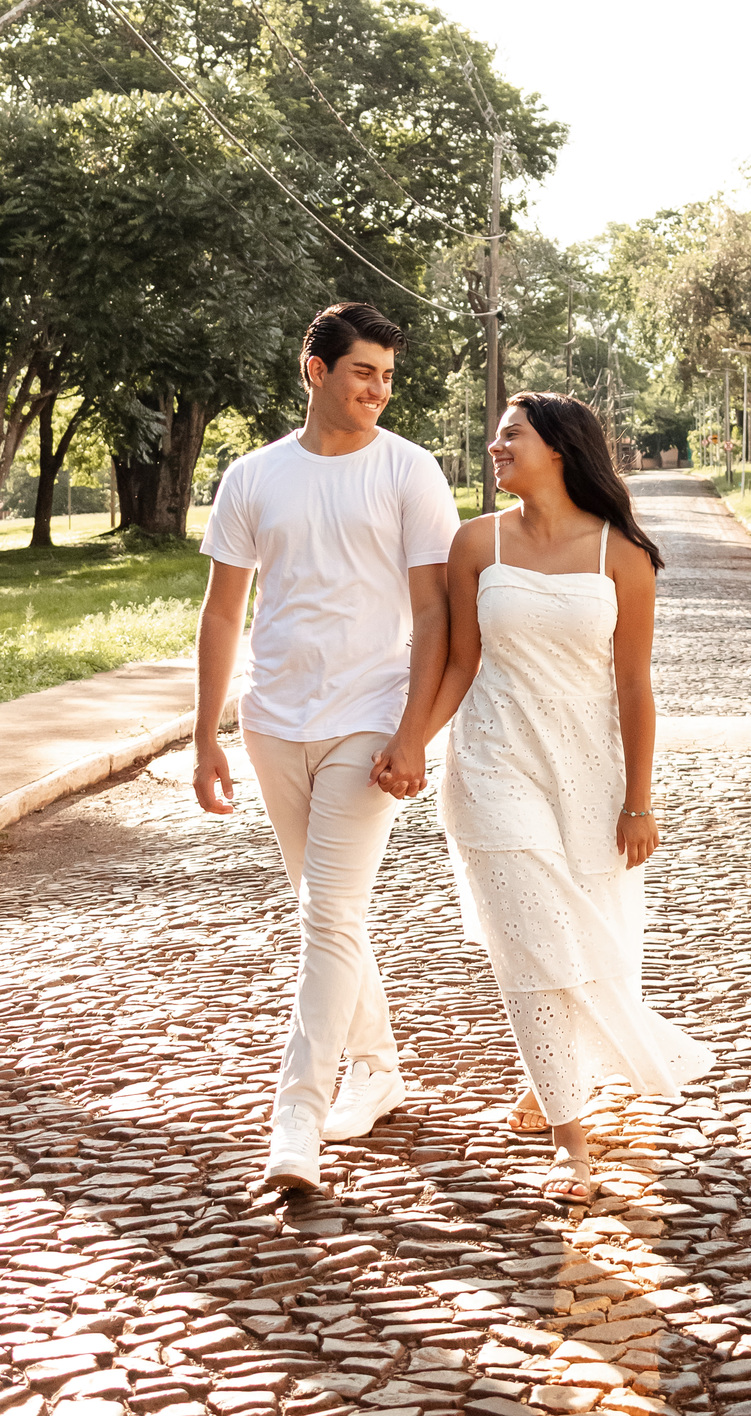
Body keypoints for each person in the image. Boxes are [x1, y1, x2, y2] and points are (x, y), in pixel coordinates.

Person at [372, 392, 714, 1201]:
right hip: (492, 767)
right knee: (532, 940)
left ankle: (556, 1073)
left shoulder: (620, 555)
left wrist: (640, 801)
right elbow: (457, 663)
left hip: (590, 776)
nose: (496, 449)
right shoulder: (474, 544)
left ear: (558, 448)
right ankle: (572, 1138)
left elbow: (634, 685)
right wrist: (412, 739)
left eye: (509, 436)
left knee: (592, 937)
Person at [192, 301, 459, 1189]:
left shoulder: (410, 471)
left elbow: (433, 613)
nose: (379, 390)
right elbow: (225, 611)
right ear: (317, 370)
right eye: (363, 373)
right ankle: (378, 1065)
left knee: (326, 916)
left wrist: (414, 732)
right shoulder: (253, 476)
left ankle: (294, 1121)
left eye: (387, 376)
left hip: (368, 721)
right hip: (273, 723)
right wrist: (208, 735)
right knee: (329, 912)